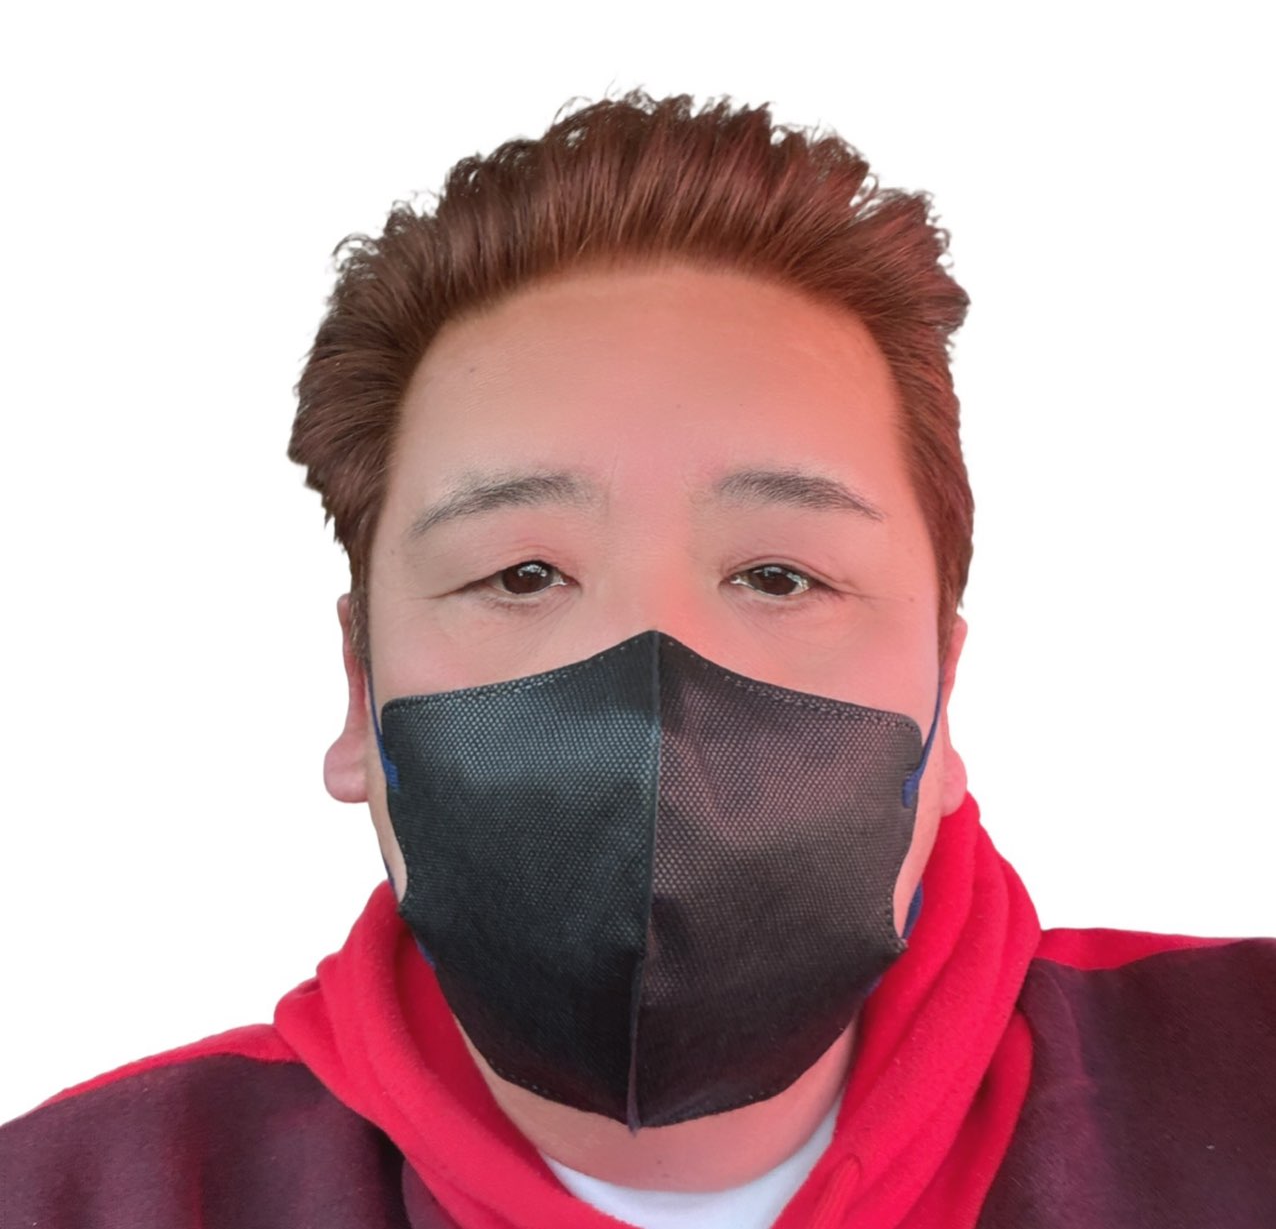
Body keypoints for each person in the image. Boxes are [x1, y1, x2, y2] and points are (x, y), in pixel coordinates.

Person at [3, 88, 1273, 1229]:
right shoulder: (79, 1195)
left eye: (779, 576)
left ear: (945, 699)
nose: (650, 699)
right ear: (359, 692)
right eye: (521, 575)